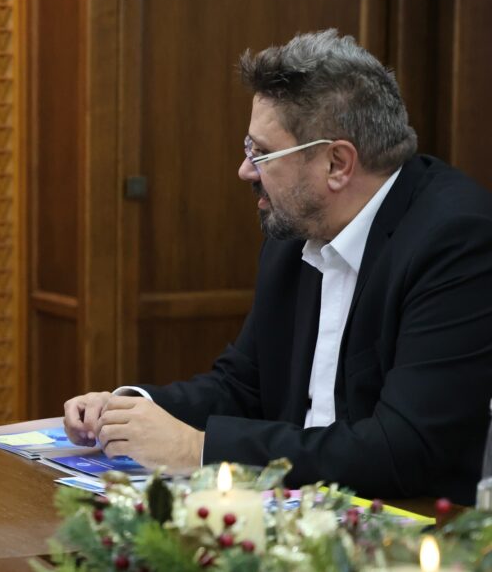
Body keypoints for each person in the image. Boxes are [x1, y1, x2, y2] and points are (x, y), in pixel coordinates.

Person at [64, 30, 492, 504]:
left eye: (262, 153)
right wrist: (129, 410)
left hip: (413, 523)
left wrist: (199, 449)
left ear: (337, 163)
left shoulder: (455, 241)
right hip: (296, 512)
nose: (245, 170)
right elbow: (242, 385)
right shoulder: (297, 229)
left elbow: (404, 449)